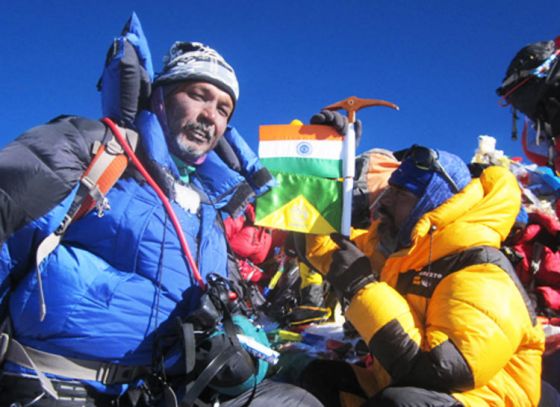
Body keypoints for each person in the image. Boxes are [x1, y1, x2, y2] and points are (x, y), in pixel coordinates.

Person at [0, 14, 321, 407]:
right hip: (54, 384)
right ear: (160, 96)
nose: (211, 116)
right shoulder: (93, 150)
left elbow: (228, 298)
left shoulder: (209, 209)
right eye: (199, 95)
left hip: (154, 391)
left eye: (224, 109)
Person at [299, 139, 549, 406]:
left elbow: (441, 370)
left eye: (402, 194)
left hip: (477, 398)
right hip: (408, 381)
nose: (386, 201)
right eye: (390, 189)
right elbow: (322, 250)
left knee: (402, 402)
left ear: (433, 203)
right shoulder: (396, 249)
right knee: (321, 377)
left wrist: (362, 285)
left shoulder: (482, 271)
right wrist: (325, 164)